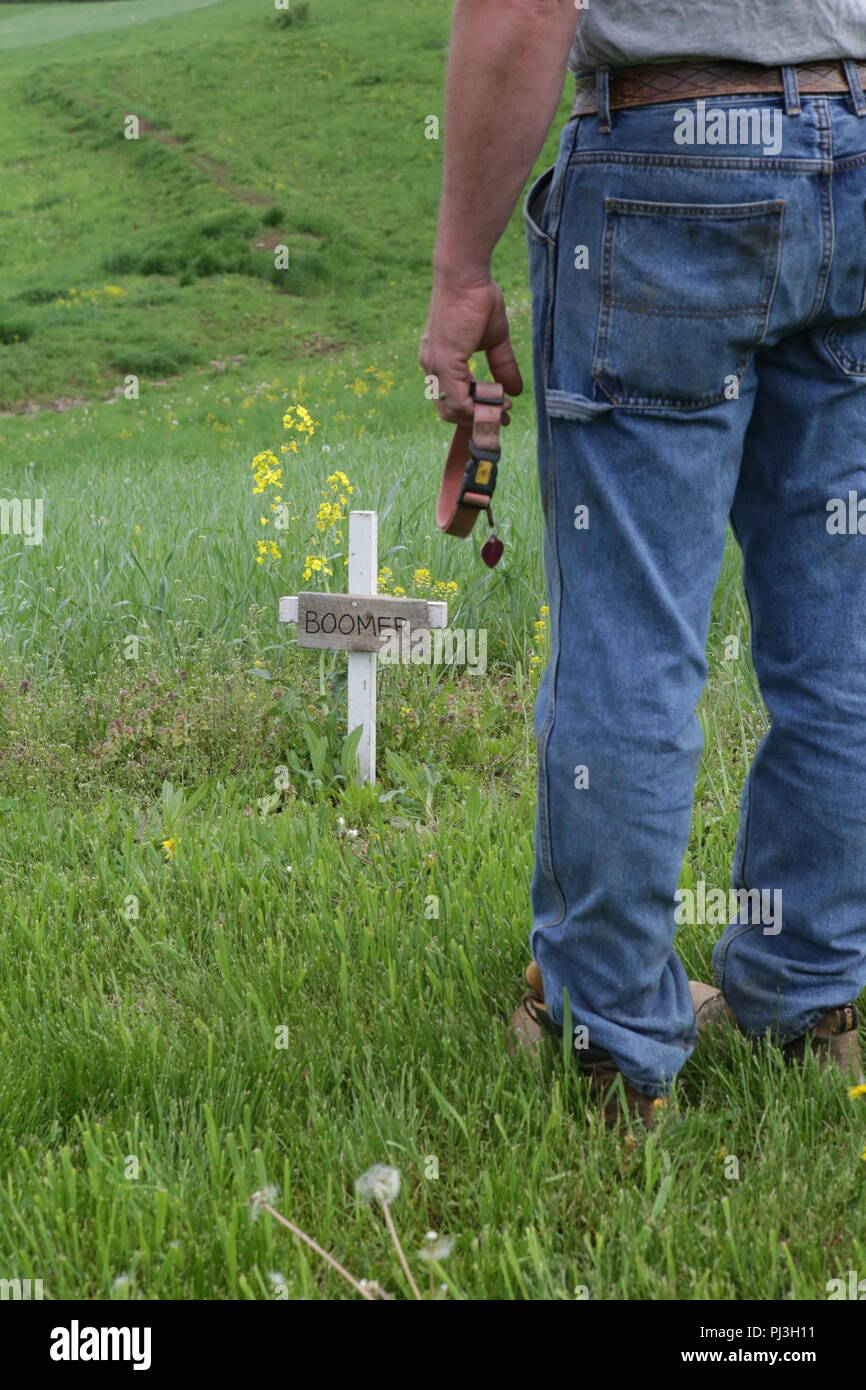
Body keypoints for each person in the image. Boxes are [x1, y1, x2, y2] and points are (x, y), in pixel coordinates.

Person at [420, 0, 866, 1126]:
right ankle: (807, 995)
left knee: (631, 640)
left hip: (666, 167)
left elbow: (521, 6)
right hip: (853, 146)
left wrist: (458, 269)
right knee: (841, 640)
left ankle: (608, 1043)